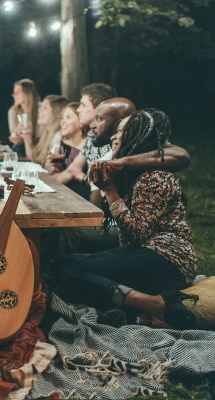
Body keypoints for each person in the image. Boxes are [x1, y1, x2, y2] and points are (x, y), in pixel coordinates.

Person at [54, 109, 198, 329]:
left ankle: (154, 305)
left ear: (136, 136)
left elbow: (137, 232)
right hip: (148, 253)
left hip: (169, 261)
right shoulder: (137, 173)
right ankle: (134, 307)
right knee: (63, 265)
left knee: (67, 269)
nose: (113, 136)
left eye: (120, 131)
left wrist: (110, 191)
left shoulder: (156, 176)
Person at [53, 83, 117, 185]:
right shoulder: (92, 134)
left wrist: (82, 177)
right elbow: (73, 169)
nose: (78, 110)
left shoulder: (113, 138)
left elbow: (106, 185)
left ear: (100, 108)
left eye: (83, 105)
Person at [30, 94, 68, 165]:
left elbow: (50, 170)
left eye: (45, 108)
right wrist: (26, 138)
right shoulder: (47, 133)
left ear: (56, 113)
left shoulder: (58, 137)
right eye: (41, 107)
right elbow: (35, 161)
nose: (39, 110)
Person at [7, 78, 40, 157]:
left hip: (38, 147)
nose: (14, 95)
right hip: (21, 147)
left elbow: (42, 137)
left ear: (28, 93)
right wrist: (16, 136)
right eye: (14, 92)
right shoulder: (12, 111)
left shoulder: (40, 109)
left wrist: (29, 135)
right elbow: (13, 135)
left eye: (18, 92)